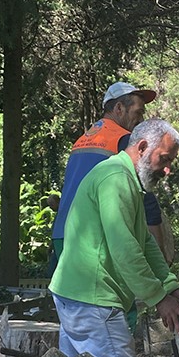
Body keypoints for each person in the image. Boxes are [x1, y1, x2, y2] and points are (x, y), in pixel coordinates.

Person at [49, 118, 179, 357]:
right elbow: (125, 249)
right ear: (142, 148)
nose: (167, 169)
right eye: (164, 159)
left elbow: (144, 243)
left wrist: (170, 286)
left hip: (76, 294)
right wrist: (159, 298)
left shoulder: (126, 180)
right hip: (93, 300)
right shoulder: (115, 179)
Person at [50, 82, 156, 267]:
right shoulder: (125, 140)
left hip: (62, 234)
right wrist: (159, 247)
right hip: (94, 238)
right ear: (119, 108)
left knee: (71, 294)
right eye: (138, 113)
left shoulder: (81, 141)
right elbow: (144, 194)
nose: (141, 121)